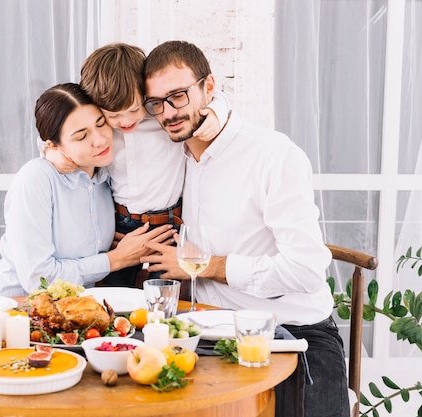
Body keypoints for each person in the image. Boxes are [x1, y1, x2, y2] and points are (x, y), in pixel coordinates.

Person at [140, 40, 348, 417]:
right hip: (209, 333)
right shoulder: (171, 157)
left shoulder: (273, 154)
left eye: (178, 96)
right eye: (157, 103)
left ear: (209, 86)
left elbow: (306, 270)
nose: (168, 113)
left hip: (295, 332)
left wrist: (205, 265)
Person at [45, 43, 229, 287]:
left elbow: (215, 97)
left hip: (168, 225)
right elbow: (65, 123)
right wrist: (51, 150)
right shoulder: (100, 126)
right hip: (120, 225)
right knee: (112, 294)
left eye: (133, 109)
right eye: (113, 115)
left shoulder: (163, 115)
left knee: (163, 297)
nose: (125, 121)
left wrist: (216, 113)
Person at [0, 83, 174, 296]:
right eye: (81, 136)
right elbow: (38, 279)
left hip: (73, 313)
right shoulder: (36, 178)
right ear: (53, 145)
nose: (100, 140)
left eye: (101, 124)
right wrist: (115, 260)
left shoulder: (107, 179)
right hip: (11, 308)